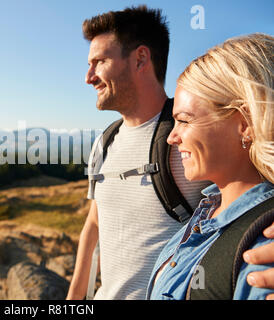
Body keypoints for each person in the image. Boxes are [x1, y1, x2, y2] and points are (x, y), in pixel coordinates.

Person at [66, 6, 274, 300]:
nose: (89, 77)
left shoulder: (203, 140)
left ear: (140, 58)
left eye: (99, 61)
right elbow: (95, 224)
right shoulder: (105, 142)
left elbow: (256, 183)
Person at [147, 33, 273, 300]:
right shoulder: (205, 213)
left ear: (245, 123)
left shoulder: (263, 249)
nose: (172, 137)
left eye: (184, 120)